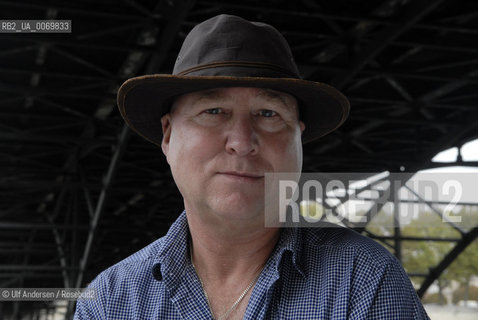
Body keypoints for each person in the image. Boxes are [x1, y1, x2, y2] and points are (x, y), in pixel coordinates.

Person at [74, 14, 429, 319]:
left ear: (298, 141)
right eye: (213, 111)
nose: (242, 141)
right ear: (168, 135)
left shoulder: (364, 280)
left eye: (269, 114)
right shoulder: (110, 301)